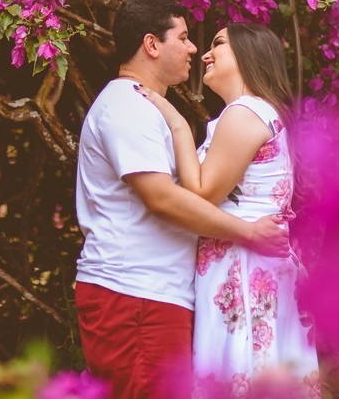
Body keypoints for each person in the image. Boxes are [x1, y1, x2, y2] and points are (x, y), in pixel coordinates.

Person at [74, 0, 292, 399]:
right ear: (152, 45)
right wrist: (246, 232)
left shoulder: (150, 109)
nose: (195, 49)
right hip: (135, 293)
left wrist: (174, 120)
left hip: (154, 295)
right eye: (186, 38)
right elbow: (163, 199)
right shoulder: (128, 106)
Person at [134, 22, 319, 398]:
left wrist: (178, 125)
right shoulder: (258, 113)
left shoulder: (245, 111)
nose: (204, 53)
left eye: (218, 44)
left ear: (247, 55)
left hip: (243, 268)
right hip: (255, 262)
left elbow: (201, 192)